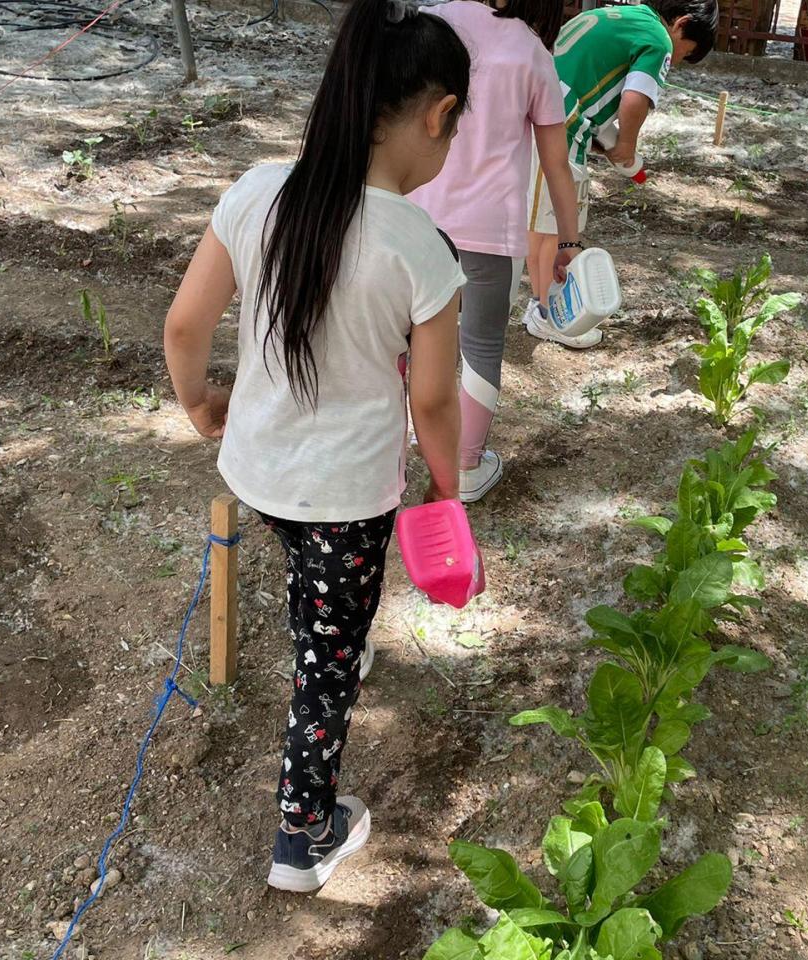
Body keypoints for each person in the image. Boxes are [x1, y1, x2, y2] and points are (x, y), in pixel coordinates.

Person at [161, 0, 468, 894]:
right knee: (325, 675)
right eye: (452, 134)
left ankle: (326, 629)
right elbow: (435, 397)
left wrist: (199, 405)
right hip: (346, 496)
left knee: (315, 586)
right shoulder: (419, 243)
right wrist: (445, 492)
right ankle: (303, 835)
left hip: (258, 471)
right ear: (437, 115)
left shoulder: (256, 190)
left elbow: (185, 325)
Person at [409, 0, 584, 504]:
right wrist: (567, 242)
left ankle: (404, 444)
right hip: (490, 228)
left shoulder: (429, 22)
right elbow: (557, 166)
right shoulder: (532, 53)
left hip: (417, 213)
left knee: (409, 335)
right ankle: (464, 467)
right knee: (480, 346)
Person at [522, 0, 719, 350]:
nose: (677, 59)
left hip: (540, 109)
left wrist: (601, 137)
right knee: (555, 231)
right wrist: (626, 146)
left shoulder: (627, 16)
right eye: (685, 53)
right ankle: (548, 315)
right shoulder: (658, 40)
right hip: (561, 130)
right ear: (682, 23)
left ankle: (540, 305)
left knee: (539, 227)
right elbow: (634, 98)